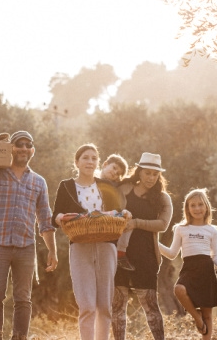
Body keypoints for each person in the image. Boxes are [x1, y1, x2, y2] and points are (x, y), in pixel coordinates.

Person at [0, 130, 58, 340]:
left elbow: (45, 219)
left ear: (33, 151)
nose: (24, 148)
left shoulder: (39, 182)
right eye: (20, 144)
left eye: (28, 145)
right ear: (11, 147)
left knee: (23, 300)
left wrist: (52, 251)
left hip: (26, 248)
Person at [52, 144, 130, 340]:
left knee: (104, 306)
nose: (90, 161)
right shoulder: (66, 186)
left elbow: (118, 213)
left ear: (98, 162)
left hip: (106, 247)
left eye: (94, 158)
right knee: (86, 305)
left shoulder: (107, 186)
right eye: (85, 157)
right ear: (76, 162)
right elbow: (56, 215)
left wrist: (126, 214)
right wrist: (60, 217)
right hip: (79, 246)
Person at [112, 152, 172, 340]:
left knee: (150, 305)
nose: (151, 178)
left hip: (146, 256)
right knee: (118, 305)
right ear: (139, 172)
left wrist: (136, 223)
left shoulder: (162, 198)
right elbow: (110, 210)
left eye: (155, 174)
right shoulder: (124, 189)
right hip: (120, 256)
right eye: (147, 173)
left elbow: (163, 225)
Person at [158, 188, 217, 339]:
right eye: (192, 205)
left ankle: (204, 329)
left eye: (200, 204)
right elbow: (172, 253)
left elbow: (215, 255)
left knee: (208, 313)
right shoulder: (181, 229)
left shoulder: (212, 230)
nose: (197, 208)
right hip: (189, 268)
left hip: (206, 268)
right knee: (179, 289)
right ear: (187, 208)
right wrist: (155, 243)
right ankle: (197, 317)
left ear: (206, 206)